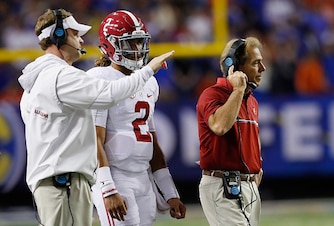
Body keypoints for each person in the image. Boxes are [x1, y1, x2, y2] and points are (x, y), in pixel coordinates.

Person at [18, 8, 174, 226]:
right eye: (75, 34)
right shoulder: (60, 75)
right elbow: (109, 94)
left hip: (56, 179)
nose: (81, 40)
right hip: (64, 180)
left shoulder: (37, 77)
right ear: (59, 36)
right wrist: (149, 69)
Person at [87, 10, 186, 226]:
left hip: (143, 176)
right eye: (130, 43)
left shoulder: (150, 82)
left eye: (140, 42)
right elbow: (94, 139)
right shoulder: (100, 79)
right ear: (110, 45)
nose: (138, 49)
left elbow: (152, 141)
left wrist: (170, 191)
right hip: (115, 175)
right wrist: (107, 188)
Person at [196, 37, 265, 226]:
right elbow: (219, 126)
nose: (263, 69)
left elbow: (252, 136)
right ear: (233, 65)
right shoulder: (212, 94)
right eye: (256, 63)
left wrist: (257, 165)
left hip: (248, 186)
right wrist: (237, 91)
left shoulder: (251, 100)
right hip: (223, 185)